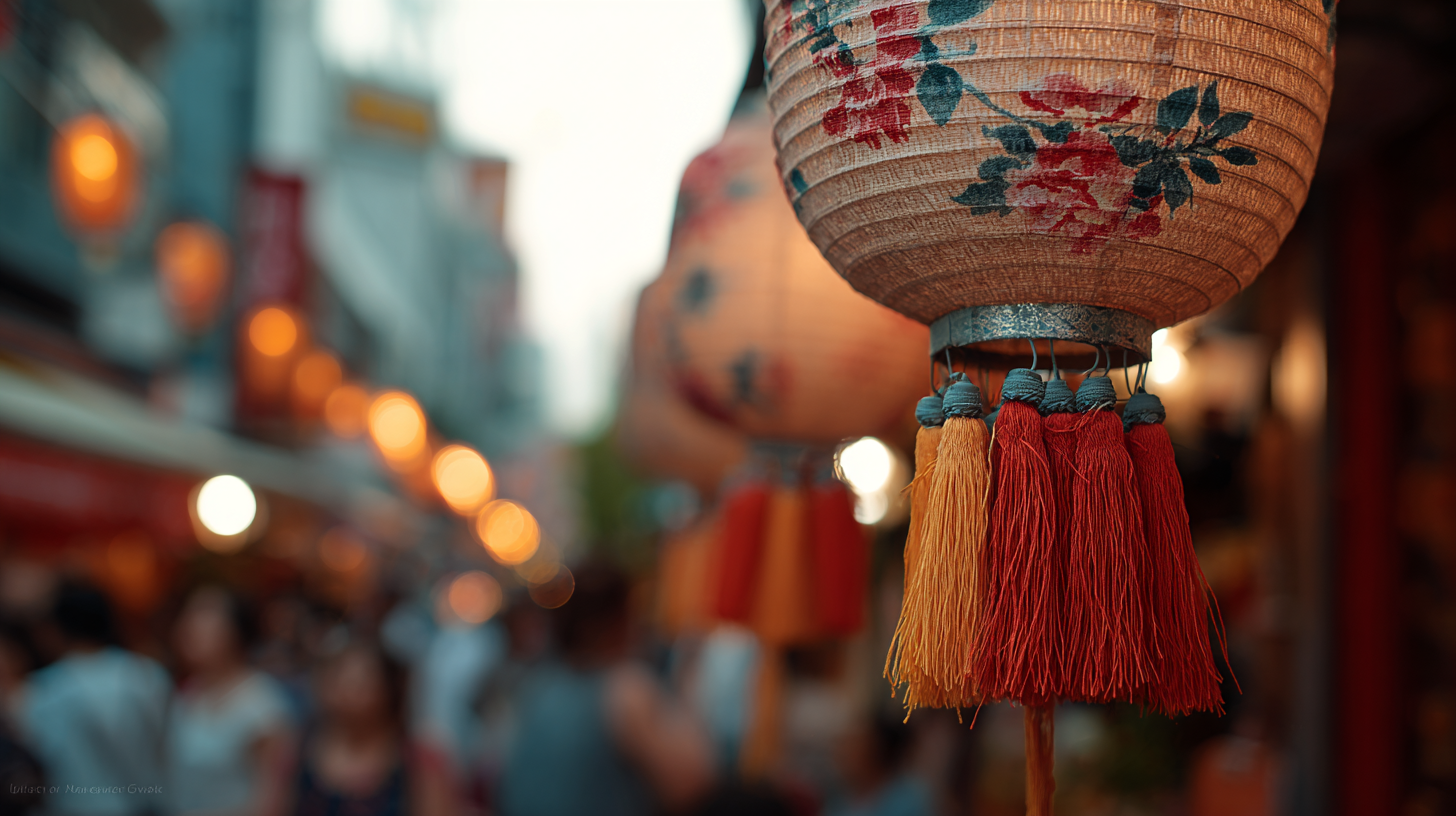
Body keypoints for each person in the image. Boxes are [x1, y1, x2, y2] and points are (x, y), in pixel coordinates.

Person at [497, 563, 716, 816]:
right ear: (615, 620)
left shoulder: (539, 685)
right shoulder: (624, 688)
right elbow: (691, 784)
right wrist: (689, 674)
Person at [18, 582, 169, 816]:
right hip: (141, 804)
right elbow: (164, 745)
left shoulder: (43, 689)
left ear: (58, 628)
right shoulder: (146, 674)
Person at [167, 586, 295, 816]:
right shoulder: (188, 692)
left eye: (206, 615)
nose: (190, 626)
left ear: (237, 630)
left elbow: (272, 805)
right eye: (188, 614)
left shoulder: (262, 706)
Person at [295, 641, 453, 816]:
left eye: (359, 680)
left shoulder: (419, 758)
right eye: (338, 677)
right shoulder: (297, 751)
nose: (346, 691)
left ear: (389, 688)